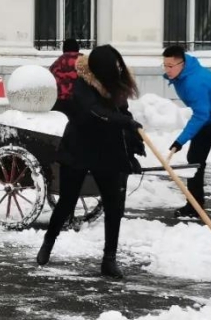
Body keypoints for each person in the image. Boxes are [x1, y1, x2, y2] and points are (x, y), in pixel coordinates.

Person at [36, 45, 144, 278]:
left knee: (114, 205)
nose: (117, 69)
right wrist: (123, 122)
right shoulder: (82, 85)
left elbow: (122, 113)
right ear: (101, 69)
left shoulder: (117, 84)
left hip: (107, 151)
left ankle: (109, 259)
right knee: (67, 201)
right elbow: (95, 113)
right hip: (79, 149)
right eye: (113, 66)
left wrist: (134, 141)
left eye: (119, 64)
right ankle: (48, 242)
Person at [162, 45, 211, 224]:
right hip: (208, 117)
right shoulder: (182, 75)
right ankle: (194, 206)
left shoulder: (194, 82)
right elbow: (202, 113)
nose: (167, 70)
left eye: (171, 66)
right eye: (165, 65)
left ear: (182, 64)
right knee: (195, 160)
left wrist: (180, 141)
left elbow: (200, 114)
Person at [48, 38, 81, 115]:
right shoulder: (86, 62)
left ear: (63, 50)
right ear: (77, 49)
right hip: (82, 104)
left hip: (60, 104)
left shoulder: (56, 64)